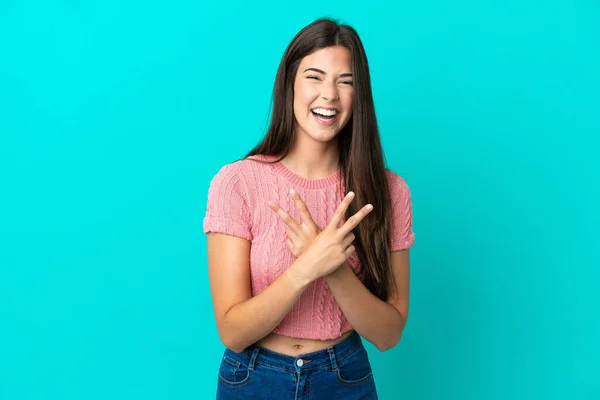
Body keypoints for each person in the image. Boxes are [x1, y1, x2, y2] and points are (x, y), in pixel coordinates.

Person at [203, 17, 415, 400]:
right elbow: (233, 331)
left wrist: (335, 270)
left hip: (345, 377)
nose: (329, 95)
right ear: (289, 84)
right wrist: (305, 268)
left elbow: (388, 334)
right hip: (254, 378)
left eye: (345, 81)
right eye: (314, 77)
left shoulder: (389, 191)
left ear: (359, 95)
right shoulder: (237, 183)